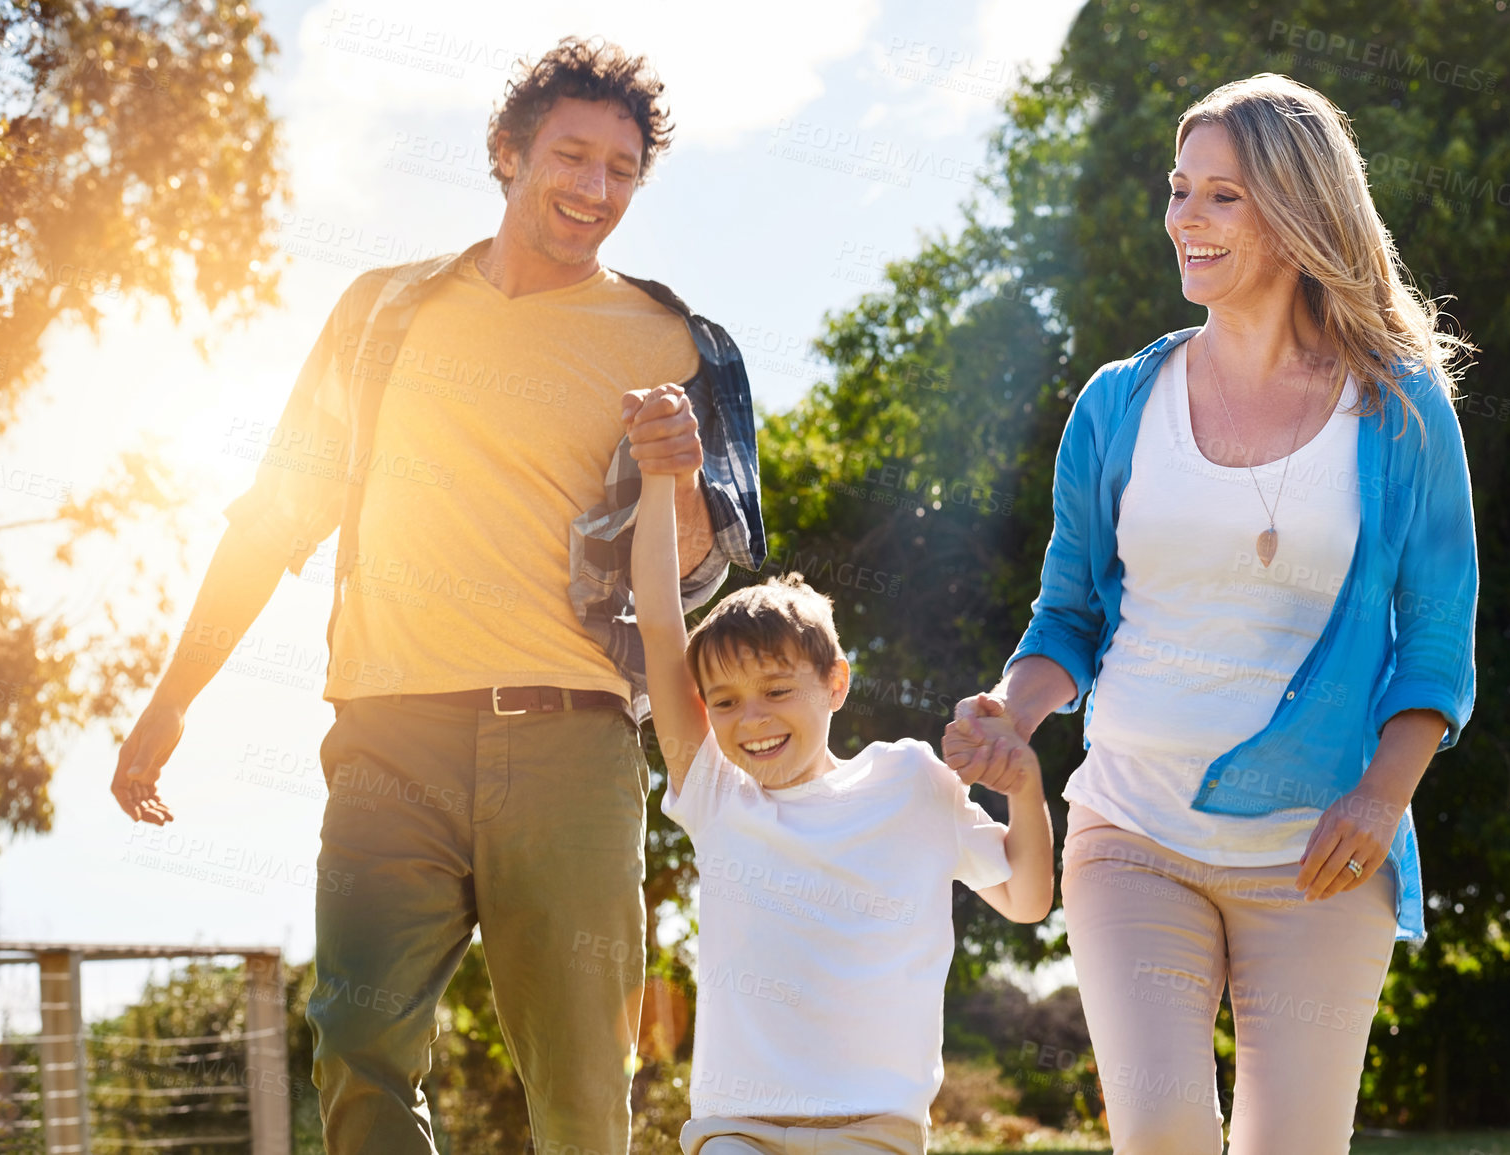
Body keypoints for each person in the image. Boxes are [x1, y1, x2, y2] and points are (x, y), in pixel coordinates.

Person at [108, 38, 765, 1155]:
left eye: (620, 170)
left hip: (572, 747)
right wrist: (173, 701)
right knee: (357, 1060)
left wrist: (677, 468)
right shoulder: (380, 314)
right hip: (385, 740)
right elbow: (271, 519)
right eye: (569, 155)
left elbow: (699, 568)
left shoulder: (677, 342)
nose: (593, 190)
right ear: (507, 153)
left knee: (580, 1095)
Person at [943, 73, 1478, 1154]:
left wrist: (1381, 801)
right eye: (1178, 190)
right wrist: (1012, 708)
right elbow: (1067, 616)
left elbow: (1434, 634)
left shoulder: (1399, 406)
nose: (1183, 217)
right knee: (1164, 1136)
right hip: (1130, 828)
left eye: (1220, 197)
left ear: (1297, 209)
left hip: (1319, 849)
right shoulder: (1115, 405)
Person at [626, 383, 1054, 1154]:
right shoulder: (717, 793)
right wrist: (660, 475)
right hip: (736, 1128)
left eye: (776, 690)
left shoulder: (912, 782)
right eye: (722, 702)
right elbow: (660, 623)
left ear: (836, 683)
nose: (750, 719)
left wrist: (1025, 791)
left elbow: (1026, 898)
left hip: (873, 1129)